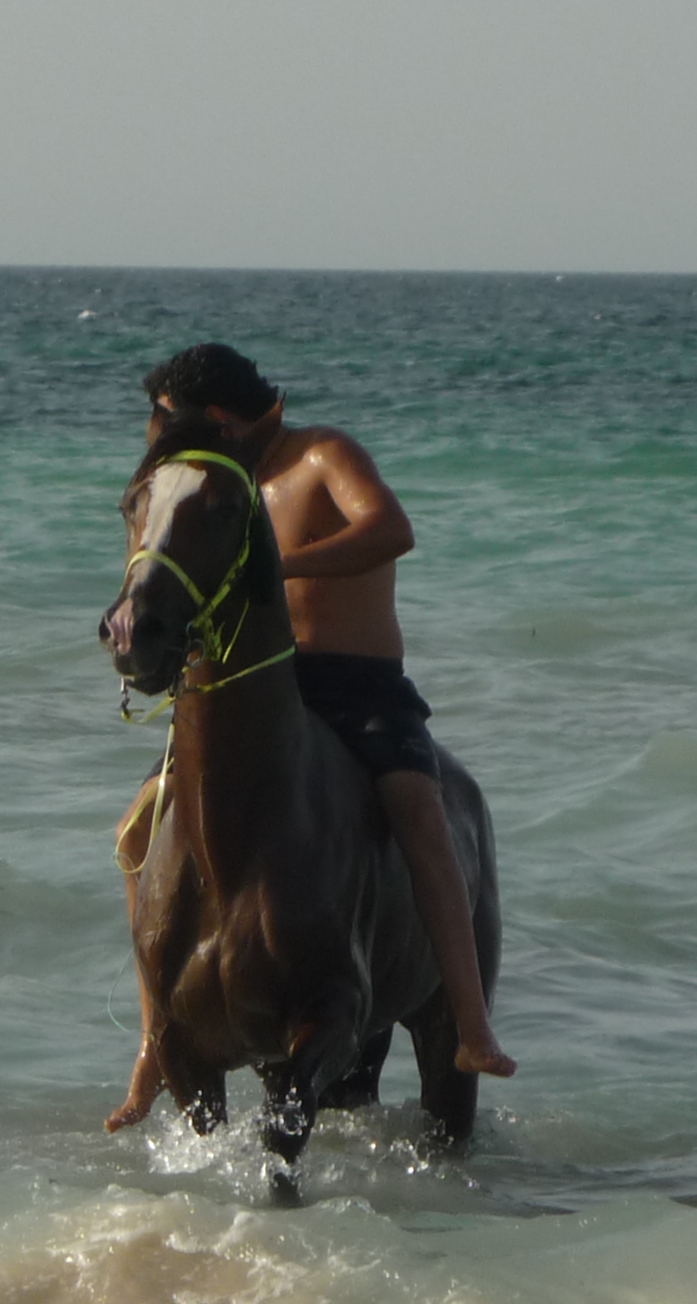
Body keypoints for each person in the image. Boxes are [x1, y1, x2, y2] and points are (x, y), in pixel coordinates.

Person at [132, 342, 516, 1081]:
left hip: (357, 685)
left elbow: (389, 529)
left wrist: (279, 565)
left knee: (422, 817)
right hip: (262, 690)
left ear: (217, 418)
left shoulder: (320, 454)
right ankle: (156, 1040)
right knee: (145, 819)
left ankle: (469, 1024)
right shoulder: (216, 486)